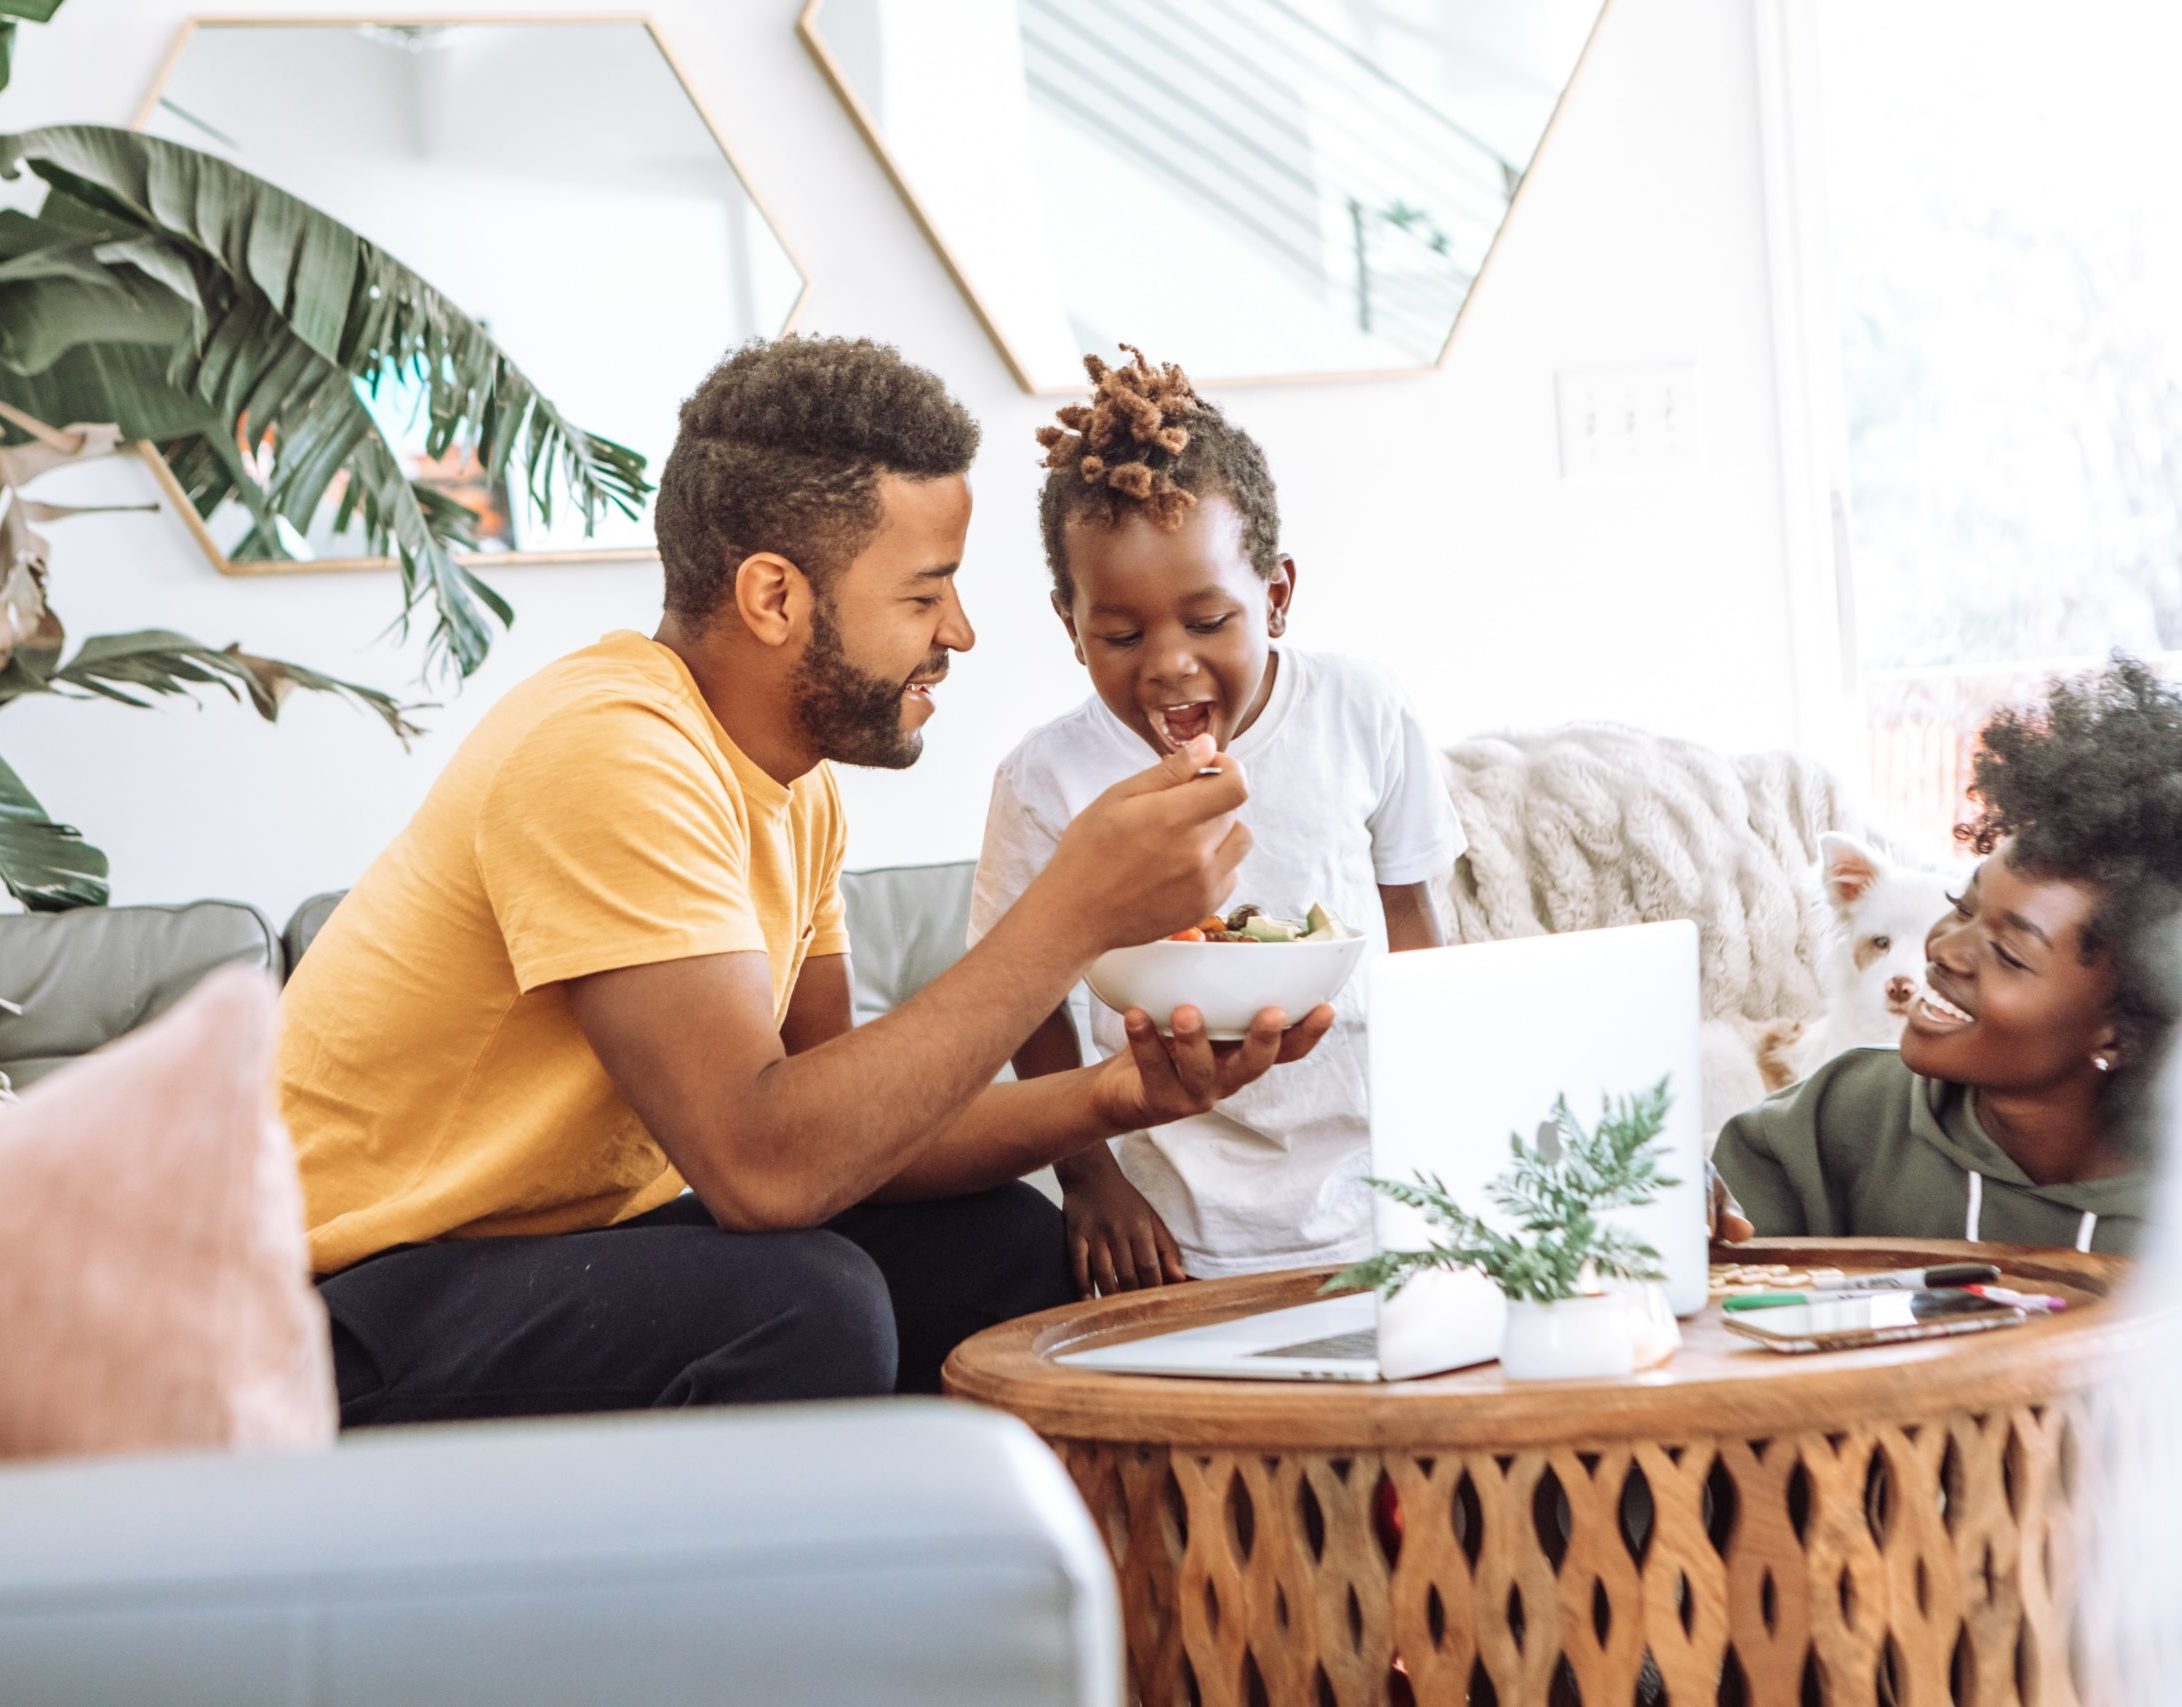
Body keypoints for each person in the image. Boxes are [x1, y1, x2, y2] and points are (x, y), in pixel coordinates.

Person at [278, 336, 1334, 1423]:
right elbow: (762, 1168)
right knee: (804, 1304)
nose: (960, 633)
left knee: (1006, 1249)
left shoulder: (796, 789)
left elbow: (849, 1135)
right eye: (925, 594)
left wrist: (1115, 1097)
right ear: (775, 597)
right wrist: (1074, 912)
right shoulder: (608, 752)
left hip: (532, 1266)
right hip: (331, 1311)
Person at [969, 346, 1460, 1296]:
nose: (1168, 666)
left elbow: (1415, 921)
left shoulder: (1363, 708)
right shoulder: (1045, 780)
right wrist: (1089, 1178)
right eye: (1120, 634)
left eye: (1207, 622)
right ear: (1070, 624)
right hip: (1181, 1226)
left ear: (1273, 597)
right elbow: (1025, 1001)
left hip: (1383, 1196)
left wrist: (1452, 1137)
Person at [1713, 656, 2182, 1256]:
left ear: (2119, 1034)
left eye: (2009, 953)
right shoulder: (1843, 1113)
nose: (1944, 949)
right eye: (1963, 905)